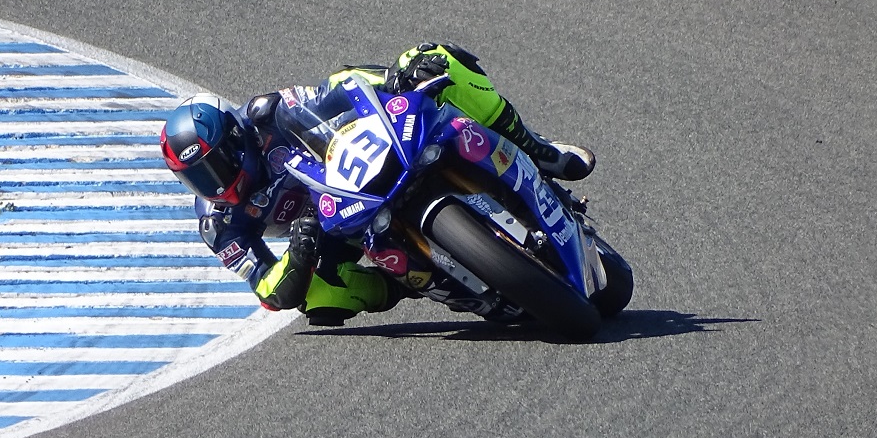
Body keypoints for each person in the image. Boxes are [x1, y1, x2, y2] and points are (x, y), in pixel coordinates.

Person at [159, 43, 595, 326]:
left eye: (215, 167)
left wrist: (395, 80)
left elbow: (340, 89)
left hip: (361, 162)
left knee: (430, 57)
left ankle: (537, 149)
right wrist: (297, 255)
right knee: (319, 299)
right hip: (331, 228)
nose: (213, 185)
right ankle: (415, 281)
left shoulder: (270, 114)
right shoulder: (219, 224)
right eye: (196, 179)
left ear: (236, 140)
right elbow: (266, 287)